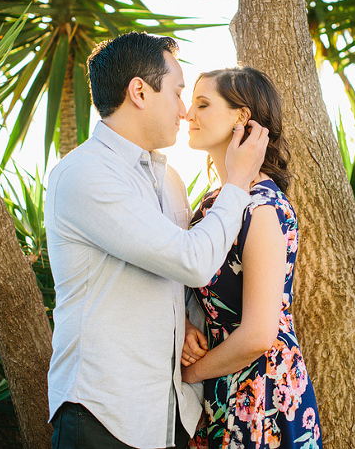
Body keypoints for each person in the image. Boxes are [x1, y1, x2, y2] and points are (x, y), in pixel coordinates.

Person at [46, 33, 269, 449]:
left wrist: (182, 322)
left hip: (172, 419)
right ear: (139, 92)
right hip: (104, 417)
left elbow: (169, 276)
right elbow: (192, 261)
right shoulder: (84, 175)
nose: (185, 111)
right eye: (179, 92)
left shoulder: (170, 180)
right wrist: (238, 181)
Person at [178, 66, 321, 448]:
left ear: (241, 118)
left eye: (203, 104)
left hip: (261, 393)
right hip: (223, 386)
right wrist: (186, 330)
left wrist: (192, 375)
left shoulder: (262, 208)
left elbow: (260, 333)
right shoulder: (212, 205)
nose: (188, 115)